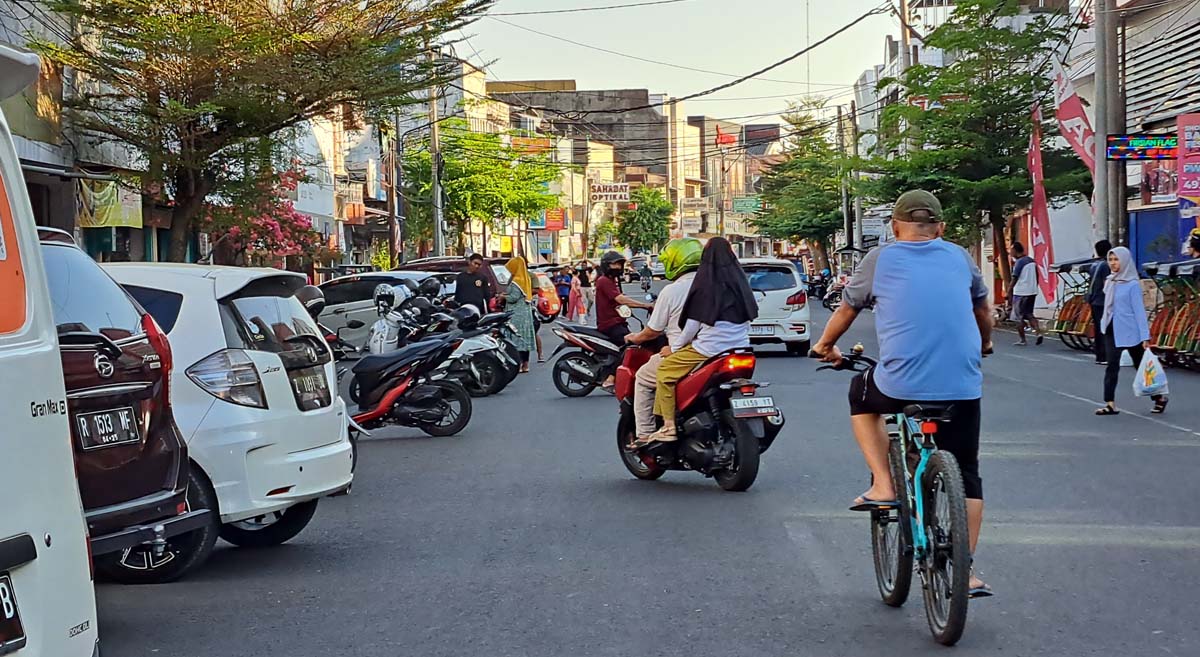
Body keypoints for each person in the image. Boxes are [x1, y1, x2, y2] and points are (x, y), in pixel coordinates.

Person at [811, 190, 994, 597]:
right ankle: (965, 570)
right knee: (967, 473)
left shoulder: (879, 258)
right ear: (941, 228)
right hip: (962, 385)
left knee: (860, 393)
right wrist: (984, 345)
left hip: (899, 385)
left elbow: (846, 310)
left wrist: (824, 346)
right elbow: (984, 311)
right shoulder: (961, 257)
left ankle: (883, 484)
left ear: (894, 227)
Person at [642, 238, 757, 445]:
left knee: (665, 372)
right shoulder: (740, 286)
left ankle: (668, 426)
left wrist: (674, 349)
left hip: (707, 350)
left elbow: (691, 327)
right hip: (741, 348)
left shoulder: (705, 288)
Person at [624, 238, 703, 444]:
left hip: (690, 351)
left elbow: (653, 331)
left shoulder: (672, 291)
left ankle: (647, 433)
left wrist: (635, 337)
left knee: (643, 376)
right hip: (728, 349)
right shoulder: (714, 287)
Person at [1096, 246, 1168, 416]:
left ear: (1125, 261)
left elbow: (1139, 312)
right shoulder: (1110, 281)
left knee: (1142, 367)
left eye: (1116, 260)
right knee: (1111, 366)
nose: (1113, 263)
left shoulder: (1132, 285)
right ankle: (1110, 403)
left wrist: (1145, 336)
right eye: (1111, 260)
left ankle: (1159, 398)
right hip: (1111, 329)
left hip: (1131, 332)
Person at [595, 251, 654, 388]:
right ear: (606, 265)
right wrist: (645, 306)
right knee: (630, 345)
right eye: (614, 264)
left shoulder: (612, 281)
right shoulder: (603, 281)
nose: (618, 267)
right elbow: (620, 299)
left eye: (619, 264)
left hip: (617, 322)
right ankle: (610, 378)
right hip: (610, 324)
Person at [503, 257, 537, 373]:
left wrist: (503, 297)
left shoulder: (516, 281)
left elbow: (513, 298)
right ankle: (525, 364)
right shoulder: (525, 278)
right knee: (524, 339)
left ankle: (518, 364)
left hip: (516, 314)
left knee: (515, 339)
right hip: (525, 313)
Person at [1008, 242, 1042, 346]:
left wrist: (1009, 290)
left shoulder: (1019, 262)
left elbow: (1015, 278)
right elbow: (1037, 276)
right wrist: (1034, 287)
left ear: (1015, 250)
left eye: (1011, 250)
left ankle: (1023, 340)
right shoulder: (1031, 261)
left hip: (1020, 293)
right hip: (1032, 292)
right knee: (1029, 314)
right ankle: (1038, 333)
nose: (1010, 252)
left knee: (1018, 317)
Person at [1087, 240, 1113, 364]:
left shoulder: (1094, 265)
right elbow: (1106, 285)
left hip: (1094, 300)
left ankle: (1099, 355)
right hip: (1103, 301)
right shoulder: (1106, 266)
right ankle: (1105, 355)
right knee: (1105, 328)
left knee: (1098, 328)